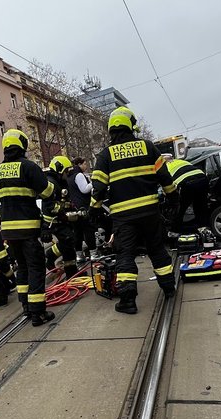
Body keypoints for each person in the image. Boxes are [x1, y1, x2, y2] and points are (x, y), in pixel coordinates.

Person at [91, 107, 177, 314]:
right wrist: (174, 198)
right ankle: (169, 288)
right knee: (157, 249)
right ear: (131, 126)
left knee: (125, 256)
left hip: (123, 217)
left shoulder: (105, 155)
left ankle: (128, 301)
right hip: (150, 212)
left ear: (111, 129)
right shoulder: (147, 147)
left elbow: (99, 188)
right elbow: (165, 177)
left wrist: (93, 210)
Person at [0, 129, 56, 326]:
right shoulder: (28, 166)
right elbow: (47, 192)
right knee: (36, 268)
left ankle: (26, 307)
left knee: (22, 268)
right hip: (28, 228)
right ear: (23, 145)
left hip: (9, 231)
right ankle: (39, 313)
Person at [41, 156, 79, 277]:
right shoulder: (50, 183)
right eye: (66, 171)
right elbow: (49, 205)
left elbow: (63, 200)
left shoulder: (60, 182)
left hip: (60, 220)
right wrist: (63, 212)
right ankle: (71, 274)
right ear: (60, 169)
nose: (67, 174)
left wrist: (72, 208)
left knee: (67, 242)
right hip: (53, 222)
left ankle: (51, 255)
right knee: (68, 244)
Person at [166, 157, 210, 233]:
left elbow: (165, 183)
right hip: (203, 179)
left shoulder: (164, 167)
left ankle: (175, 230)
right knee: (200, 205)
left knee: (181, 207)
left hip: (187, 183)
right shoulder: (180, 161)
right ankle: (203, 228)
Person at [66, 157, 97, 260]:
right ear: (79, 165)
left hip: (73, 208)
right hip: (83, 207)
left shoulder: (69, 176)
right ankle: (93, 253)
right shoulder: (79, 175)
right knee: (88, 230)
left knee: (77, 232)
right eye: (84, 164)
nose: (86, 166)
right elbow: (84, 189)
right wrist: (93, 183)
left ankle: (79, 255)